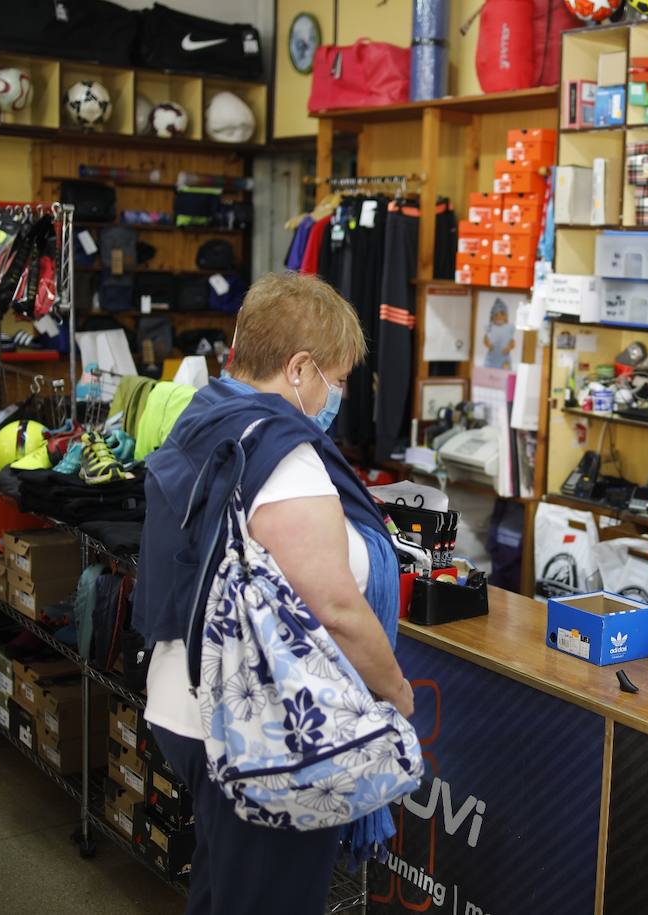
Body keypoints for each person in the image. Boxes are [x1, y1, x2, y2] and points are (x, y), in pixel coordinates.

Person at [133, 272, 414, 915]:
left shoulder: (207, 415)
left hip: (188, 704)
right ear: (298, 369)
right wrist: (393, 690)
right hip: (261, 731)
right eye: (336, 379)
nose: (338, 395)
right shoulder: (283, 457)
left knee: (225, 891)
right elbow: (337, 610)